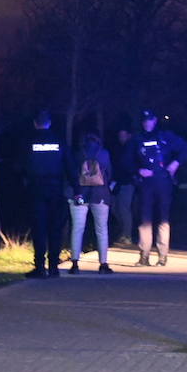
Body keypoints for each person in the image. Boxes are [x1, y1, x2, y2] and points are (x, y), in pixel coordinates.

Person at [125, 109, 187, 266]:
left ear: (155, 121)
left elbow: (186, 149)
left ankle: (162, 256)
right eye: (145, 120)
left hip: (163, 182)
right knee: (145, 219)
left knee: (163, 219)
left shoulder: (166, 136)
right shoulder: (136, 139)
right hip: (145, 184)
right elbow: (126, 161)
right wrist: (138, 170)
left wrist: (175, 163)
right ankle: (144, 255)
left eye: (151, 120)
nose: (148, 123)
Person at [24, 109, 69, 279]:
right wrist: (76, 189)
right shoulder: (59, 141)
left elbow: (20, 165)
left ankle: (40, 267)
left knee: (39, 229)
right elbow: (69, 165)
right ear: (49, 123)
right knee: (55, 229)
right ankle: (54, 267)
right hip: (56, 189)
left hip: (36, 190)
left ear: (35, 123)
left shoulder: (29, 141)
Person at [68, 132, 115, 274]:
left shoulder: (77, 154)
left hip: (79, 196)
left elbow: (71, 174)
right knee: (101, 230)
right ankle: (103, 264)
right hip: (100, 196)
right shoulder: (104, 154)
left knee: (77, 229)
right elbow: (110, 174)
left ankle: (75, 264)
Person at [111, 126, 136, 245]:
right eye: (119, 135)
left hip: (127, 183)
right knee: (115, 208)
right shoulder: (119, 148)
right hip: (118, 183)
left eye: (123, 135)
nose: (121, 138)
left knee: (124, 209)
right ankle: (123, 232)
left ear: (129, 135)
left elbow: (128, 167)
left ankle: (127, 236)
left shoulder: (131, 148)